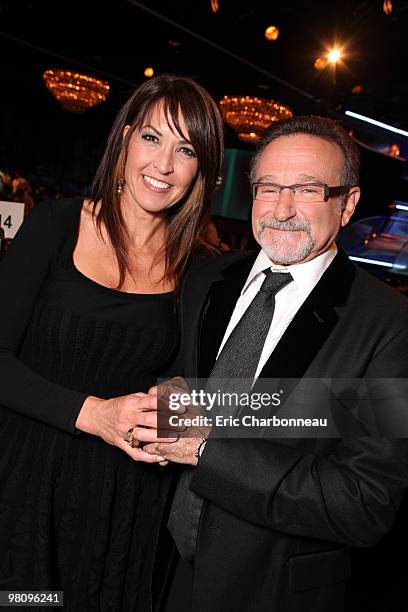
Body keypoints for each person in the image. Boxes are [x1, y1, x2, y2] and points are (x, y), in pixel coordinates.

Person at [144, 116, 408, 612]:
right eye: (268, 187)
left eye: (308, 189)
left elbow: (364, 502)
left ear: (348, 204)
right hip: (159, 571)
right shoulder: (206, 279)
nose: (282, 210)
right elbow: (174, 389)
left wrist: (206, 450)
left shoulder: (390, 326)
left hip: (269, 591)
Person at [0, 74, 224, 611]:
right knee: (26, 600)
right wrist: (94, 414)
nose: (163, 165)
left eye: (185, 149)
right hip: (26, 481)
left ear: (203, 169)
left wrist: (185, 411)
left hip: (123, 498)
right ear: (124, 138)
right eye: (151, 138)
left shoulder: (200, 271)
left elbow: (180, 377)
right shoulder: (55, 227)